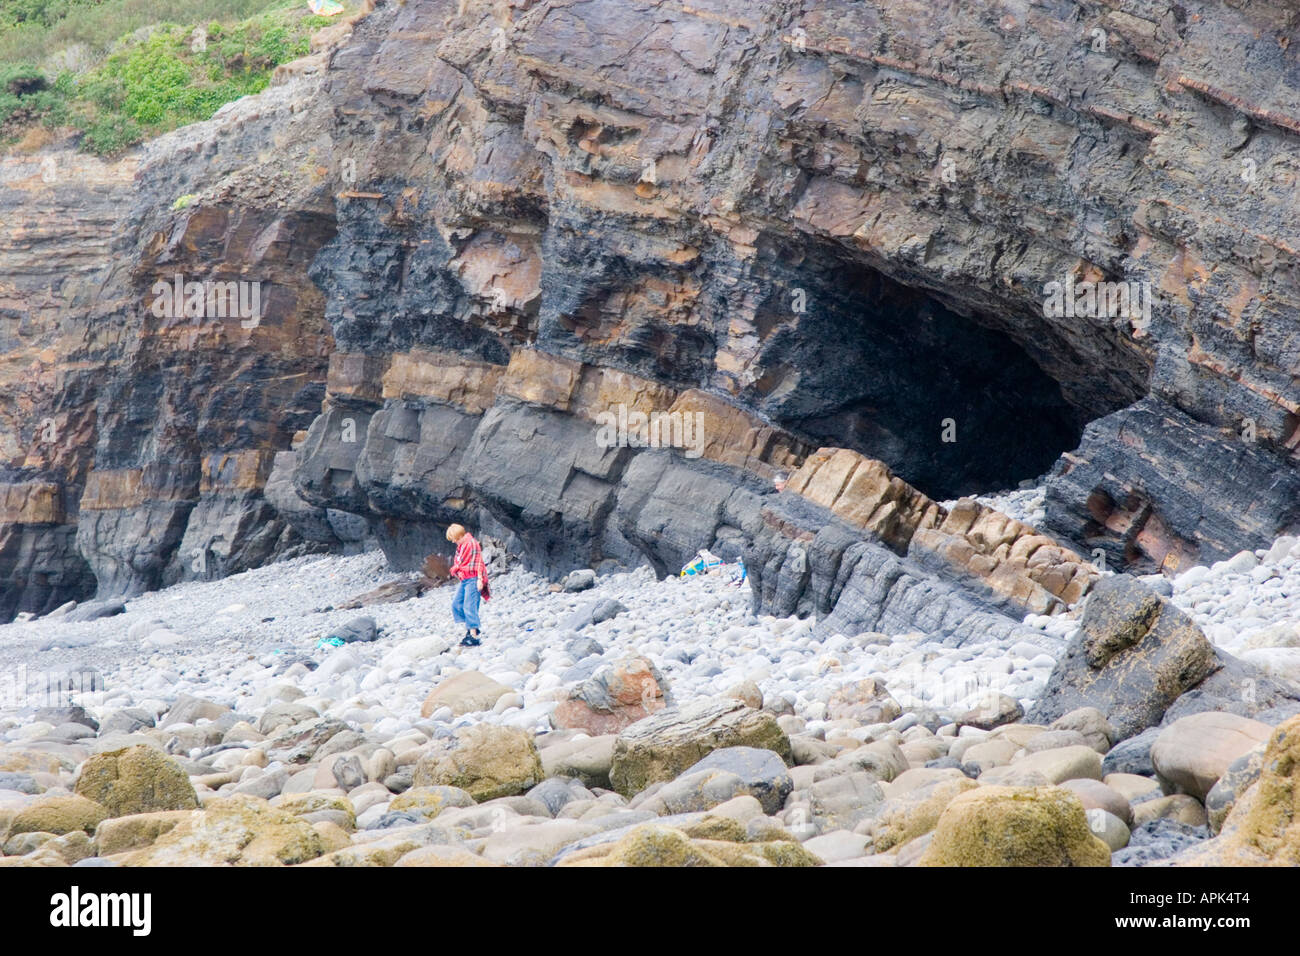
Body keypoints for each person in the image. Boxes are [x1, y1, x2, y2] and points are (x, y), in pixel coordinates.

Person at [446, 523, 490, 646]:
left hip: (473, 578)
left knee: (469, 607)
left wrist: (480, 579)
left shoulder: (472, 544)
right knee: (456, 604)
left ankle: (473, 637)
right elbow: (460, 562)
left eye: (454, 538)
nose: (454, 541)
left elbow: (479, 563)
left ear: (459, 535)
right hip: (465, 579)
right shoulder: (461, 546)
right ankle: (472, 628)